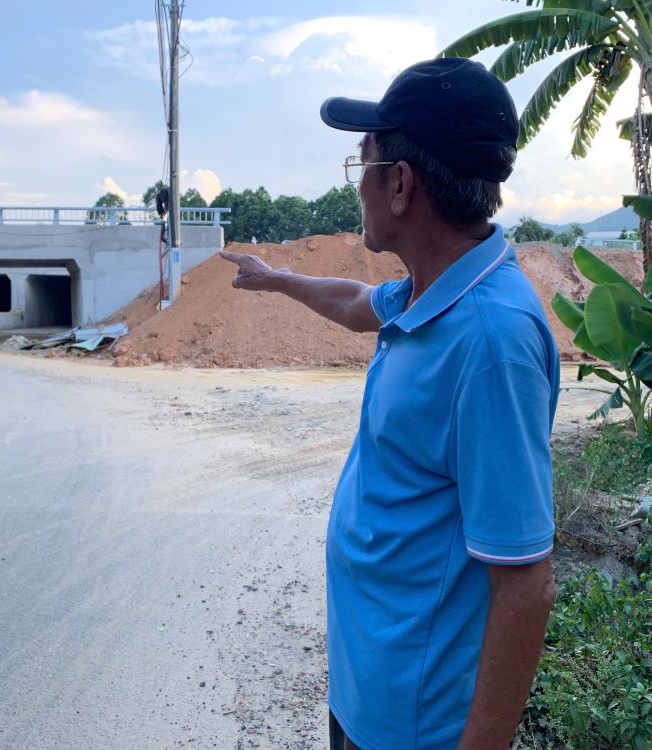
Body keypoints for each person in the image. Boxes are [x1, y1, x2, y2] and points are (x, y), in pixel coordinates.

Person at [220, 57, 559, 750]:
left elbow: (526, 582)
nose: (358, 185)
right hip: (371, 694)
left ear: (399, 184)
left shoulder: (490, 340)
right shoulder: (429, 290)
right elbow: (351, 303)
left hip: (415, 726)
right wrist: (275, 278)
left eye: (362, 164)